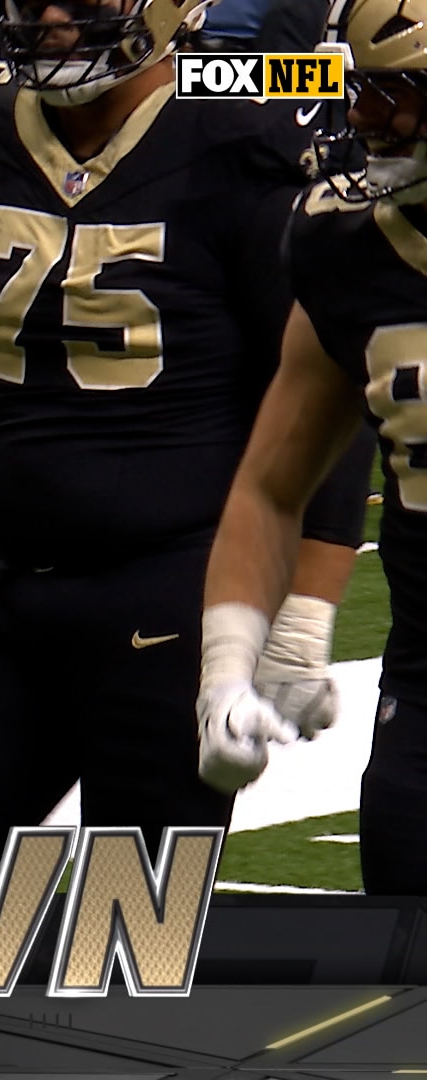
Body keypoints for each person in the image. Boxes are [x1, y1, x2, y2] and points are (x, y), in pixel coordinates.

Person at [0, 0, 373, 852]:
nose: (52, 17)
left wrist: (298, 617)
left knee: (136, 911)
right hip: (12, 585)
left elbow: (320, 394)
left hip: (177, 591)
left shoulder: (238, 135)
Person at [197, 0, 426, 893]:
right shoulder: (348, 246)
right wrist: (229, 668)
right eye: (359, 91)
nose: (362, 120)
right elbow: (270, 486)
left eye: (393, 97)